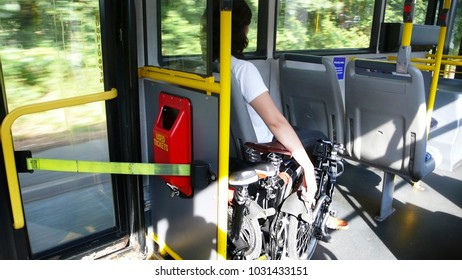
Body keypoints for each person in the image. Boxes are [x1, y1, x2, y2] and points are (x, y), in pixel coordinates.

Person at [210, 0, 348, 230]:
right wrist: (308, 167)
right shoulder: (243, 70)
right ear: (240, 29)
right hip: (261, 147)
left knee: (297, 132)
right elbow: (275, 122)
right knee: (319, 140)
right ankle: (315, 209)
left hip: (234, 149)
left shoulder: (213, 67)